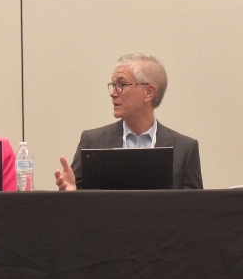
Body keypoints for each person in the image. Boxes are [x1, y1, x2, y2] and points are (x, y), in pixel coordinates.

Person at [54, 54, 202, 190]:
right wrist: (72, 191)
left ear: (149, 92)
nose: (113, 93)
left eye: (122, 85)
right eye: (113, 85)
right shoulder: (92, 142)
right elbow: (77, 203)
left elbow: (194, 206)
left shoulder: (185, 149)